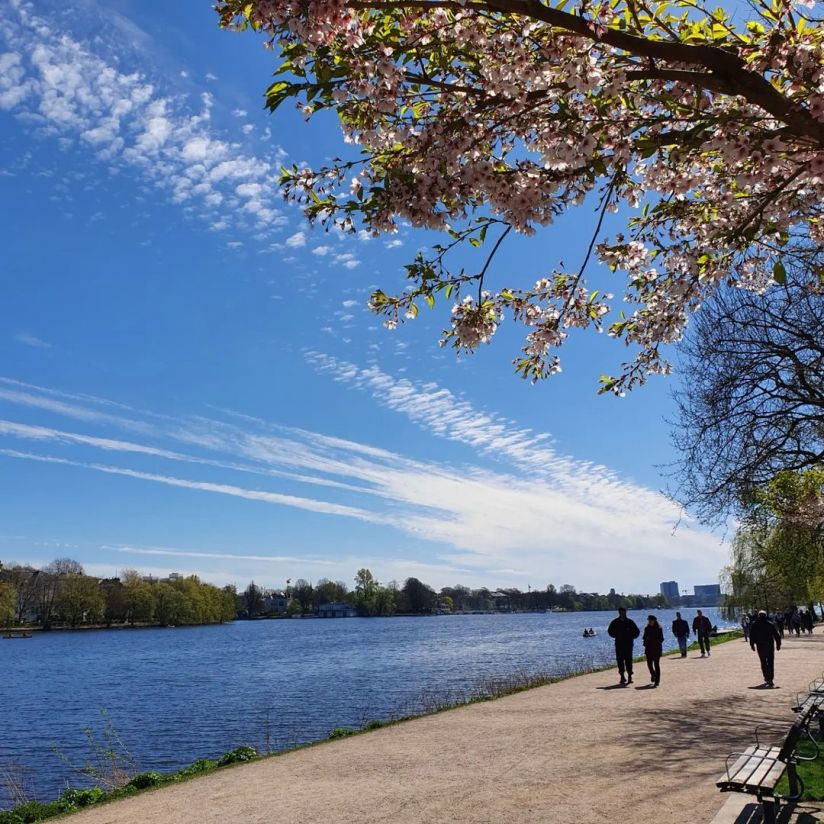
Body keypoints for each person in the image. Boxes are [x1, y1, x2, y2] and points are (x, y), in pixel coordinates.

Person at [607, 607, 640, 685]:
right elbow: (610, 631)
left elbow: (637, 632)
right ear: (619, 613)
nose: (623, 614)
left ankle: (629, 676)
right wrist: (617, 635)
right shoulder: (615, 622)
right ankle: (622, 676)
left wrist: (631, 636)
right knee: (620, 661)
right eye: (622, 613)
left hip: (628, 644)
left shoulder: (630, 622)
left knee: (629, 660)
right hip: (619, 644)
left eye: (624, 612)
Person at [749, 609, 782, 687]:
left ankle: (767, 677)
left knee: (763, 662)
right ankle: (770, 678)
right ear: (765, 616)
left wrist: (752, 645)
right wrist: (778, 644)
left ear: (759, 616)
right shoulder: (770, 624)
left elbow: (752, 636)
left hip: (760, 646)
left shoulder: (755, 624)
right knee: (770, 662)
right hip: (769, 645)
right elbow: (777, 635)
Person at [643, 615, 664, 687]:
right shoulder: (647, 628)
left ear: (654, 620)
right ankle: (653, 674)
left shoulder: (659, 628)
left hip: (656, 649)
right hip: (648, 649)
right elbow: (644, 637)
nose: (649, 621)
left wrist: (654, 641)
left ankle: (657, 681)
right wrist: (646, 640)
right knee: (649, 664)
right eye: (648, 620)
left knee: (656, 665)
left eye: (650, 620)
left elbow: (661, 639)